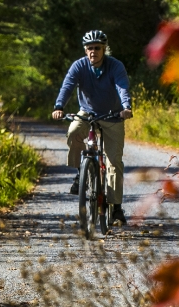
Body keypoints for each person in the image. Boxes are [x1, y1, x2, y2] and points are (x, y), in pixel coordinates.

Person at [52, 30, 133, 226]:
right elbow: (68, 86)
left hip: (112, 114)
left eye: (97, 48)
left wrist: (126, 107)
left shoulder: (115, 66)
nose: (93, 51)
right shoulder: (79, 66)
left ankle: (116, 208)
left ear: (104, 49)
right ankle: (80, 171)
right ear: (85, 50)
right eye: (90, 48)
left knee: (114, 163)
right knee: (73, 131)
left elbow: (122, 87)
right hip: (87, 111)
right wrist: (59, 106)